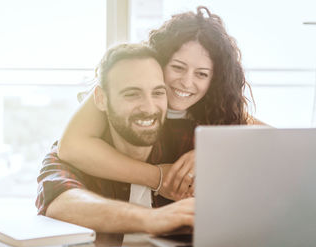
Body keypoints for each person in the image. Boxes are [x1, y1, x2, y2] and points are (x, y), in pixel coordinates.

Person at [57, 6, 264, 202]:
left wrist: (211, 150)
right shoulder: (123, 93)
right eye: (177, 67)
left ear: (214, 80)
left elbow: (270, 138)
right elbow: (70, 147)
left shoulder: (214, 108)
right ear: (159, 61)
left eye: (201, 74)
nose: (186, 82)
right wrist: (158, 177)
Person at [36, 43, 194, 234]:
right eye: (132, 94)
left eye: (158, 93)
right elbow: (61, 204)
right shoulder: (70, 155)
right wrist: (153, 218)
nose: (149, 108)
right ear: (101, 99)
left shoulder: (186, 149)